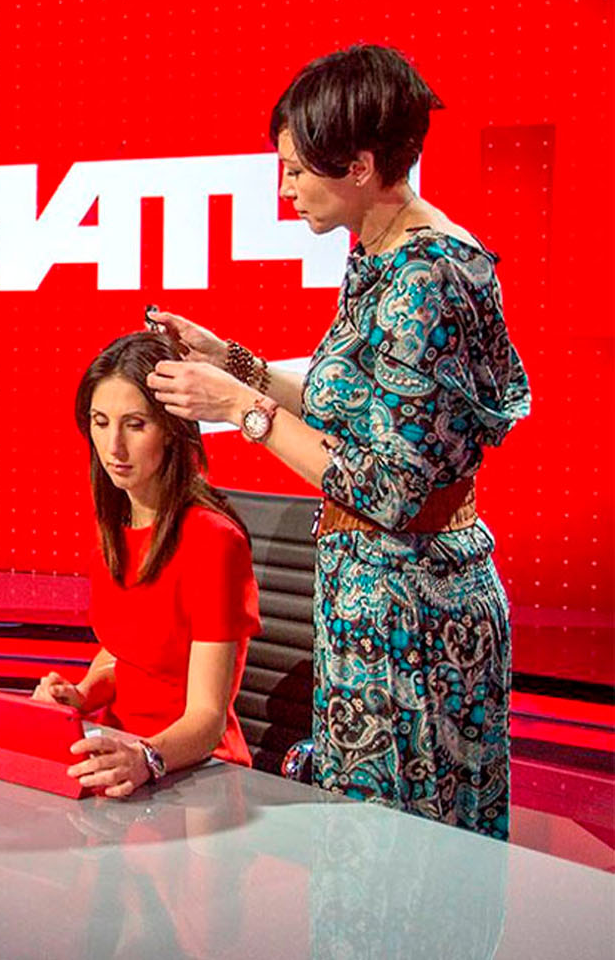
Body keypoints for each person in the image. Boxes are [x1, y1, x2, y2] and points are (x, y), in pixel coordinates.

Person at [144, 45, 530, 838]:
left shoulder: (427, 279)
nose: (285, 190)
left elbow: (388, 489)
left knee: (402, 866)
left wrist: (243, 408)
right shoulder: (382, 252)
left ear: (358, 165)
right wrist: (232, 359)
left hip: (413, 621)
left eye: (295, 170)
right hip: (376, 606)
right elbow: (347, 396)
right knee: (362, 858)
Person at [33, 332, 262, 798]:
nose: (113, 446)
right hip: (120, 753)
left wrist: (145, 757)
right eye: (100, 422)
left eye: (135, 425)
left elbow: (207, 719)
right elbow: (124, 653)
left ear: (173, 429)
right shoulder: (114, 524)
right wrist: (82, 693)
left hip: (195, 772)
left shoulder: (214, 541)